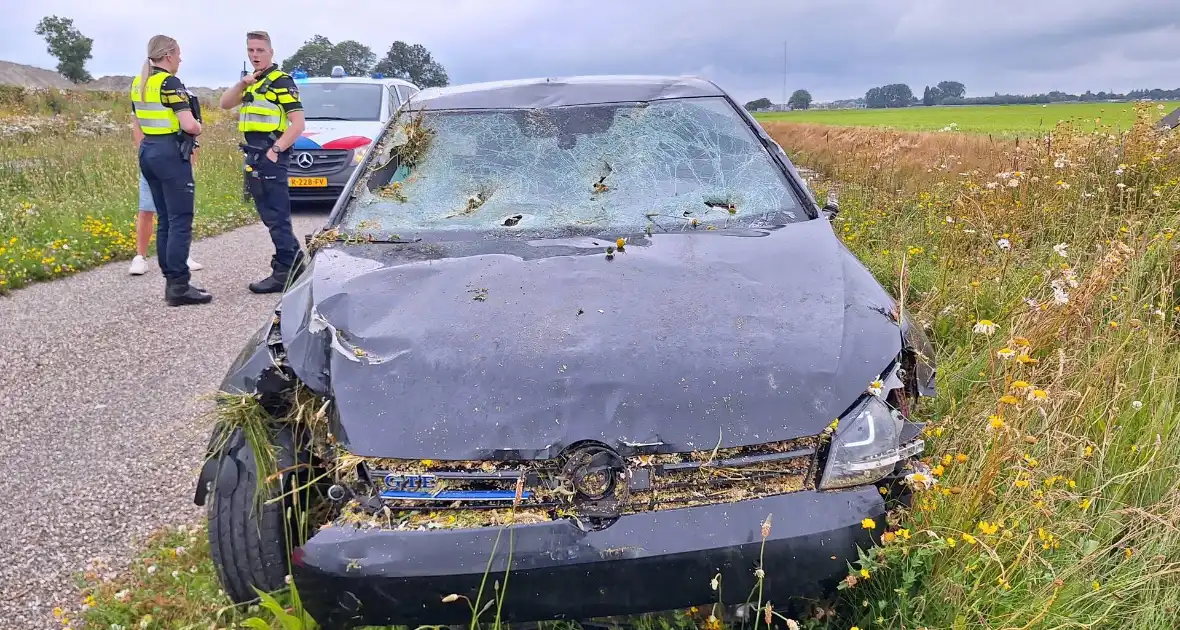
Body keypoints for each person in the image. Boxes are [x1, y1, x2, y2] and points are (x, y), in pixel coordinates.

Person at [219, 30, 306, 294]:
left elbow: (298, 124)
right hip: (254, 155)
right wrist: (242, 84)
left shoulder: (281, 81)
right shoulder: (252, 82)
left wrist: (276, 149)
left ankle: (284, 271)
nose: (255, 55)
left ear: (271, 52)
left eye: (260, 50)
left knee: (276, 214)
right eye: (251, 50)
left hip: (270, 155)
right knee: (269, 214)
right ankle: (294, 262)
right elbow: (224, 103)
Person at [130, 34, 211, 305]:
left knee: (164, 218)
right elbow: (188, 125)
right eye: (178, 54)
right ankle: (179, 284)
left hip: (148, 151)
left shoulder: (138, 83)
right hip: (169, 152)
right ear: (168, 55)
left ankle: (171, 281)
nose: (180, 59)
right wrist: (199, 126)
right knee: (180, 220)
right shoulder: (169, 83)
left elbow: (138, 121)